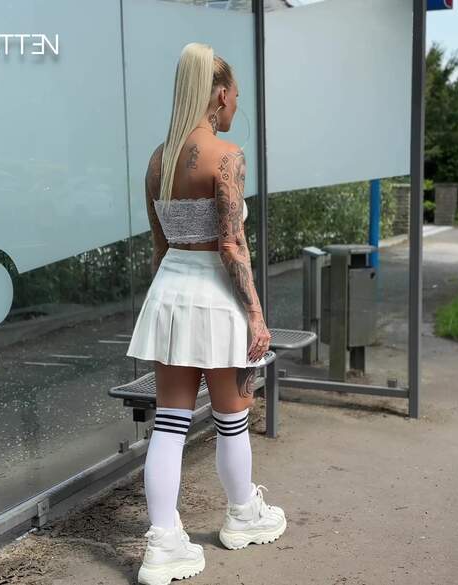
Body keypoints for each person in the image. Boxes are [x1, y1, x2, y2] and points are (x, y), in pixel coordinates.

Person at [125, 42, 286, 585]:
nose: (235, 105)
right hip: (217, 299)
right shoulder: (227, 156)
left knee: (170, 425)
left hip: (171, 293)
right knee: (232, 419)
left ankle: (162, 542)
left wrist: (166, 305)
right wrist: (256, 315)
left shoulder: (158, 161)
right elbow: (232, 245)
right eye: (235, 96)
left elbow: (158, 246)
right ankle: (243, 515)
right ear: (219, 95)